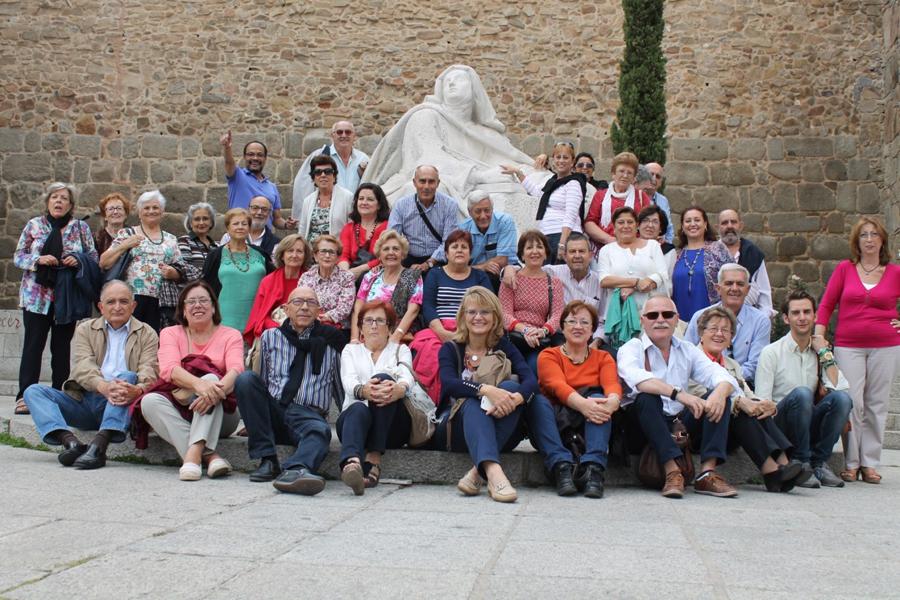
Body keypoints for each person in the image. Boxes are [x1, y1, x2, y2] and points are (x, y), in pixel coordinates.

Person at [363, 64, 535, 217]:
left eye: (459, 79)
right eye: (447, 81)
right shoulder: (425, 116)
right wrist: (479, 175)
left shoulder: (485, 133)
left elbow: (511, 161)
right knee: (438, 191)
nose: (451, 83)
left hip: (468, 185)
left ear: (474, 90)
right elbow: (428, 159)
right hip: (424, 183)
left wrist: (533, 172)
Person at [22, 280, 159, 469]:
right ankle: (71, 443)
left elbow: (149, 370)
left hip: (124, 402)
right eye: (111, 302)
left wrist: (137, 390)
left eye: (124, 301)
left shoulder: (147, 333)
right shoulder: (85, 329)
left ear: (133, 306)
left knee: (127, 376)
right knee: (33, 392)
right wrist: (103, 387)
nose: (117, 307)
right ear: (101, 307)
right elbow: (83, 367)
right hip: (86, 400)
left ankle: (99, 447)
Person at [618, 295, 740, 498]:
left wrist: (720, 391)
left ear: (677, 319)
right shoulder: (631, 348)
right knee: (646, 397)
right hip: (642, 427)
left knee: (720, 397)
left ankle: (707, 474)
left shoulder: (687, 349)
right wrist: (679, 394)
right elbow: (639, 380)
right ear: (642, 320)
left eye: (667, 314)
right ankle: (672, 472)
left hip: (677, 424)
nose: (660, 319)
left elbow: (719, 375)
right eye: (652, 315)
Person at [233, 286, 344, 494]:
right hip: (276, 408)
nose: (304, 307)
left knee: (320, 431)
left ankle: (296, 470)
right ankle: (267, 459)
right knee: (246, 379)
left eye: (311, 303)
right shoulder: (270, 337)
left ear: (319, 310)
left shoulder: (331, 342)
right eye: (298, 302)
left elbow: (340, 389)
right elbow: (263, 382)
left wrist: (350, 426)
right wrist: (256, 419)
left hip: (308, 414)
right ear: (286, 308)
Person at [815, 217, 900, 484]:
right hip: (848, 345)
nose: (870, 239)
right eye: (864, 235)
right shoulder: (845, 269)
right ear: (857, 241)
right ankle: (851, 462)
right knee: (853, 402)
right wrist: (819, 334)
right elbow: (827, 304)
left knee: (877, 404)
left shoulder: (895, 272)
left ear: (882, 240)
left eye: (875, 234)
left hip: (885, 345)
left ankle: (870, 464)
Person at [689, 305, 809, 492]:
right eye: (713, 329)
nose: (719, 334)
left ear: (730, 339)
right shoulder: (691, 359)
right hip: (701, 427)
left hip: (728, 430)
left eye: (725, 331)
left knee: (749, 406)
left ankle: (782, 467)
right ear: (701, 334)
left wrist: (768, 406)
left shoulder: (732, 365)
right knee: (731, 402)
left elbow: (749, 396)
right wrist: (739, 402)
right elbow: (698, 395)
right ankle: (775, 470)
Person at [436, 287, 538, 503]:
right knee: (473, 404)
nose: (478, 317)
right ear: (463, 316)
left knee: (511, 389)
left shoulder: (505, 347)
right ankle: (493, 472)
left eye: (485, 312)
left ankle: (476, 472)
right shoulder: (451, 348)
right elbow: (449, 385)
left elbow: (530, 381)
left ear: (495, 317)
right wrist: (485, 389)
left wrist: (517, 398)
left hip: (502, 426)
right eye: (472, 312)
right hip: (457, 430)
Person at [137, 281, 243, 481]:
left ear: (213, 307)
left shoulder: (231, 335)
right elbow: (169, 370)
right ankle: (210, 456)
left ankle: (193, 455)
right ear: (183, 310)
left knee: (212, 378)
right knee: (148, 401)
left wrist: (209, 387)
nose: (197, 305)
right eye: (191, 302)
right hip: (181, 409)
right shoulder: (170, 333)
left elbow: (236, 371)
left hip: (223, 415)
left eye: (203, 300)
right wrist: (199, 385)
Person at [14, 182, 98, 414]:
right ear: (48, 201)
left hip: (66, 296)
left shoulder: (79, 227)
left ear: (71, 205)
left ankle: (59, 395)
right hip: (36, 298)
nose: (59, 201)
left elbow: (93, 257)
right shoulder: (34, 225)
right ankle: (26, 396)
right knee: (33, 346)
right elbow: (18, 256)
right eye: (55, 197)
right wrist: (37, 260)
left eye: (64, 198)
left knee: (61, 348)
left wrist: (77, 259)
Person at [755, 290, 853, 488]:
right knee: (802, 393)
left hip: (808, 423)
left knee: (842, 399)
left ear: (815, 316)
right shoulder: (771, 353)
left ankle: (818, 463)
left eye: (807, 312)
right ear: (785, 318)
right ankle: (800, 463)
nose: (802, 318)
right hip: (781, 426)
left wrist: (825, 352)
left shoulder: (819, 352)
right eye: (796, 313)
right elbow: (762, 402)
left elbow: (840, 387)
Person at [536, 301, 623, 498]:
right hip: (556, 421)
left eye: (584, 322)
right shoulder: (548, 355)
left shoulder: (603, 357)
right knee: (538, 404)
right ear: (562, 327)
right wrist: (584, 405)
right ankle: (561, 467)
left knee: (601, 398)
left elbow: (612, 384)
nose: (578, 327)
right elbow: (557, 385)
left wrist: (613, 401)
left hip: (589, 421)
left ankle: (594, 470)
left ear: (592, 329)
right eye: (572, 321)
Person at [337, 301, 414, 494]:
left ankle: (373, 457)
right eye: (368, 320)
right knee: (357, 407)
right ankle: (352, 463)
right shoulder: (350, 350)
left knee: (385, 381)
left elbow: (407, 377)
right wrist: (364, 391)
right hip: (355, 424)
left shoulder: (400, 350)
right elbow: (348, 382)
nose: (373, 325)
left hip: (392, 428)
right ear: (360, 327)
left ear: (389, 328)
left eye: (380, 321)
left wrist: (399, 389)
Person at [411, 230, 492, 401]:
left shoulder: (480, 276)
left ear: (470, 253)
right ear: (446, 253)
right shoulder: (435, 274)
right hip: (439, 330)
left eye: (464, 247)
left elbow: (489, 306)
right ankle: (437, 400)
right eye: (455, 247)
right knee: (433, 352)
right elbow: (428, 306)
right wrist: (443, 333)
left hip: (473, 330)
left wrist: (467, 334)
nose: (460, 250)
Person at [100, 189, 181, 333]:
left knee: (156, 343)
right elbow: (104, 262)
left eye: (155, 207)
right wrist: (126, 244)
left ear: (162, 212)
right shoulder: (127, 233)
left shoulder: (171, 239)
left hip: (162, 301)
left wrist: (174, 273)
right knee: (130, 341)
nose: (151, 211)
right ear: (139, 213)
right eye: (146, 208)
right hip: (132, 298)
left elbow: (181, 270)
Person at [503, 233, 606, 343]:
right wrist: (509, 268)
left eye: (581, 251)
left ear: (590, 255)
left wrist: (596, 343)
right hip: (561, 337)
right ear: (565, 256)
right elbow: (530, 268)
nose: (577, 255)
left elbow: (603, 321)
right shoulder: (552, 273)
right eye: (572, 252)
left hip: (590, 338)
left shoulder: (601, 282)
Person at [596, 207, 670, 349]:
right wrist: (634, 282)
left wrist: (645, 283)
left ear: (637, 225)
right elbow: (604, 280)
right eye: (621, 222)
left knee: (651, 352)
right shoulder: (607, 250)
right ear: (614, 226)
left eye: (630, 222)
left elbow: (662, 275)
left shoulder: (652, 246)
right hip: (620, 311)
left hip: (650, 312)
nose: (625, 226)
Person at [684, 264, 771, 384]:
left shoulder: (760, 321)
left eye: (740, 284)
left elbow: (756, 365)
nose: (734, 288)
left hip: (744, 385)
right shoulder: (700, 317)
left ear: (748, 290)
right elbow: (686, 356)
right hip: (704, 385)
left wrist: (727, 381)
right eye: (729, 283)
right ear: (718, 288)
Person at [502, 141, 586, 264]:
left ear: (572, 162)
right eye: (558, 157)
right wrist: (518, 172)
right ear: (553, 160)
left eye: (565, 157)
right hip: (547, 235)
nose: (561, 161)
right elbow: (538, 193)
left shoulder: (573, 183)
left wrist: (562, 243)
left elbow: (571, 214)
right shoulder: (552, 182)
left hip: (563, 236)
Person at [498, 230, 564, 373]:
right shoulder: (511, 278)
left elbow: (557, 315)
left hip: (538, 340)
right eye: (529, 248)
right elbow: (504, 314)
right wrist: (526, 330)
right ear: (522, 254)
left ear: (546, 253)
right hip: (513, 338)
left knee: (537, 366)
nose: (535, 251)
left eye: (539, 247)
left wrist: (542, 331)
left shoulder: (554, 283)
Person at [201, 208, 274, 332]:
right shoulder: (215, 255)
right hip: (224, 320)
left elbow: (273, 281)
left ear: (249, 228)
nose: (240, 227)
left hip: (256, 319)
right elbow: (206, 287)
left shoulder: (260, 253)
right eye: (235, 224)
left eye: (244, 224)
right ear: (227, 228)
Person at [432, 189, 519, 289]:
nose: (483, 216)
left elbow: (503, 260)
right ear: (469, 212)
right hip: (474, 273)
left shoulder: (505, 221)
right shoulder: (463, 228)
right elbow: (455, 261)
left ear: (492, 209)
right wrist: (482, 267)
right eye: (478, 211)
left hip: (503, 270)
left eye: (487, 210)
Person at [350, 230, 424, 344]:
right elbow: (358, 309)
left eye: (396, 249)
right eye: (386, 249)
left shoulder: (413, 276)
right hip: (368, 336)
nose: (391, 253)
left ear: (403, 253)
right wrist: (354, 338)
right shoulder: (371, 276)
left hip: (399, 338)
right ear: (379, 255)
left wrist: (396, 337)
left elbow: (413, 310)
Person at [386, 164, 460, 269]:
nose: (426, 187)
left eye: (431, 181)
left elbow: (449, 242)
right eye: (422, 181)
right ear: (414, 183)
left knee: (433, 283)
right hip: (409, 260)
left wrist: (429, 263)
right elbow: (392, 237)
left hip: (439, 261)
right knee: (404, 284)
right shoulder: (401, 205)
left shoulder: (450, 205)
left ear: (438, 183)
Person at [243, 233, 313, 344]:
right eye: (290, 251)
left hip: (305, 332)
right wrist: (281, 329)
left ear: (305, 256)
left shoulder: (311, 280)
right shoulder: (268, 281)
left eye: (299, 251)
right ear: (282, 255)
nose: (294, 255)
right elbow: (261, 315)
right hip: (274, 332)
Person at [159, 202, 218, 328]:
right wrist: (206, 274)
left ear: (211, 222)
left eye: (205, 218)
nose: (201, 222)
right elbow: (184, 267)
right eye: (197, 219)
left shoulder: (216, 247)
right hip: (186, 301)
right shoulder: (183, 241)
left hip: (208, 302)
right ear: (190, 223)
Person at [220, 130, 294, 229]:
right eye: (250, 154)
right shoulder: (237, 176)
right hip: (240, 236)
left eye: (259, 155)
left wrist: (286, 224)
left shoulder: (272, 187)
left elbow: (276, 219)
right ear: (244, 157)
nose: (255, 158)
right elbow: (229, 162)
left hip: (264, 241)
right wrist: (227, 147)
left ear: (265, 158)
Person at [671, 205, 731, 321]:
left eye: (697, 220)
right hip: (680, 319)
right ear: (683, 227)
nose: (693, 224)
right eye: (688, 221)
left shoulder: (718, 249)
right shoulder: (676, 255)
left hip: (712, 318)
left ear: (705, 224)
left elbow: (732, 278)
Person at [584, 152, 652, 249]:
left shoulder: (641, 197)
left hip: (632, 249)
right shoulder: (600, 195)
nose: (625, 175)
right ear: (613, 174)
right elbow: (589, 223)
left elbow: (647, 223)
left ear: (634, 177)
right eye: (621, 171)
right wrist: (610, 240)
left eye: (629, 173)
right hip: (603, 248)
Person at [294, 120, 370, 204]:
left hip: (356, 213)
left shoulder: (363, 159)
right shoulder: (319, 156)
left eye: (348, 132)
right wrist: (301, 214)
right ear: (332, 135)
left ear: (354, 136)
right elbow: (303, 187)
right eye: (339, 132)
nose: (344, 135)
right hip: (328, 211)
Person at [717, 209, 774, 316]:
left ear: (741, 226)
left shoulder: (754, 254)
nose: (729, 226)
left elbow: (764, 295)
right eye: (724, 223)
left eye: (733, 222)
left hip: (749, 319)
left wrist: (762, 320)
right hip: (716, 318)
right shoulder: (709, 254)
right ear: (718, 227)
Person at [298, 234, 356, 335]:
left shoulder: (347, 277)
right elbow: (299, 302)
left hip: (336, 329)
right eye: (323, 251)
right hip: (308, 325)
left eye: (332, 252)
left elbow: (344, 308)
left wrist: (323, 317)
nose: (327, 256)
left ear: (338, 258)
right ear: (315, 256)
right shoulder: (306, 277)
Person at [294, 155, 354, 245]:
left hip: (336, 251)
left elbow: (352, 229)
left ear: (334, 176)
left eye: (328, 172)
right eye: (318, 172)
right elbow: (302, 230)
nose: (323, 175)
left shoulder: (347, 197)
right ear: (313, 178)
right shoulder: (308, 200)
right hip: (311, 253)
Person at [337, 183, 390, 281]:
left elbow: (387, 256)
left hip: (381, 276)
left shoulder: (387, 227)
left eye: (370, 199)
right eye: (361, 199)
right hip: (351, 275)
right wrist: (345, 273)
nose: (364, 202)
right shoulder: (348, 228)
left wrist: (360, 270)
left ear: (379, 205)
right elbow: (343, 256)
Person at [637, 204, 676, 275]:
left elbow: (669, 279)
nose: (650, 225)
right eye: (645, 220)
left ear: (660, 228)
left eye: (655, 222)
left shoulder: (668, 251)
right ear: (638, 225)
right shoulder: (628, 247)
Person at [642, 163, 675, 243]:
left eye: (658, 176)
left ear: (661, 182)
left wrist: (667, 243)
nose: (654, 178)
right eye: (651, 174)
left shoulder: (663, 200)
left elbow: (669, 227)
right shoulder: (634, 196)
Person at [93, 192, 130, 256]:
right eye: (111, 209)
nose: (115, 212)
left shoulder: (132, 234)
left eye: (119, 208)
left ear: (126, 214)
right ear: (105, 216)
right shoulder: (96, 238)